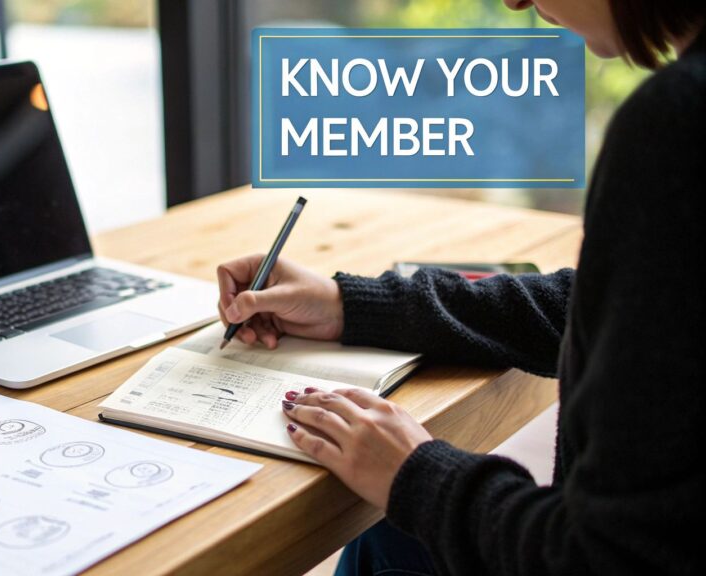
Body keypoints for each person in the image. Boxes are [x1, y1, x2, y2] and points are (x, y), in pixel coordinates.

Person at [216, 1, 704, 574]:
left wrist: (416, 473)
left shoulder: (679, 123)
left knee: (386, 542)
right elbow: (604, 310)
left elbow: (611, 556)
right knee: (384, 546)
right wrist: (352, 306)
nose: (516, 1)